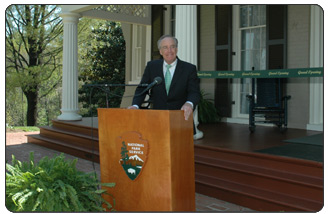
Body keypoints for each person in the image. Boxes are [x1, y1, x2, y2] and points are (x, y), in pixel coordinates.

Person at [127, 35, 200, 122]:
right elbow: (142, 88)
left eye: (172, 47)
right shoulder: (152, 66)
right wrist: (135, 106)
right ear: (160, 51)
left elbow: (194, 92)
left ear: (176, 49)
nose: (169, 51)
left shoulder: (189, 69)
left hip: (181, 119)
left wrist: (189, 103)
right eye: (165, 47)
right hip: (157, 119)